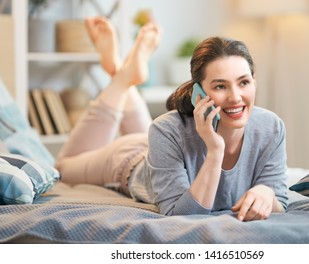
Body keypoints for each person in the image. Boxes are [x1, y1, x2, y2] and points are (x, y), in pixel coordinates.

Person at [56, 16, 288, 221]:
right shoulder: (165, 130)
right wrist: (215, 150)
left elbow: (279, 199)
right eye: (220, 86)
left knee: (162, 132)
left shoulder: (272, 128)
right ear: (198, 93)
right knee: (62, 167)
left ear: (254, 82)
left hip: (164, 151)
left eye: (244, 82)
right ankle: (122, 78)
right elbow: (181, 215)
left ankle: (121, 73)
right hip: (128, 161)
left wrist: (266, 192)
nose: (235, 97)